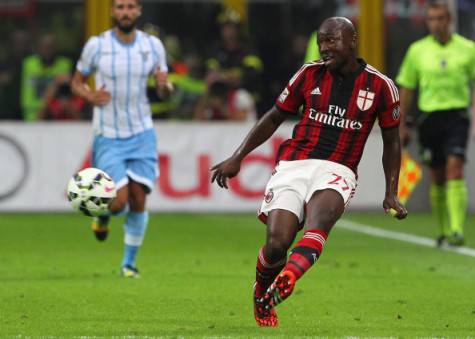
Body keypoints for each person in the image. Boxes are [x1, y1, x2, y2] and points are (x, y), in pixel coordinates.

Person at [211, 17, 407, 327]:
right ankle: (262, 293)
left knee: (320, 219)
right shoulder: (309, 74)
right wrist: (238, 157)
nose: (325, 48)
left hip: (338, 169)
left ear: (353, 41)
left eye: (332, 41)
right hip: (294, 164)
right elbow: (274, 117)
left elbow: (392, 141)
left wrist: (391, 191)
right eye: (321, 42)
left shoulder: (381, 86)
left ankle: (289, 277)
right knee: (277, 243)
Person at [71, 0, 173, 278]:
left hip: (142, 132)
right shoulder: (97, 45)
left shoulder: (153, 46)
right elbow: (76, 81)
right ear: (113, 12)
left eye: (130, 7)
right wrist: (90, 96)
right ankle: (103, 214)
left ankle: (129, 264)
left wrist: (165, 87)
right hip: (108, 133)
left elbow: (165, 89)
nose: (125, 12)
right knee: (118, 202)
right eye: (120, 7)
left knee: (139, 198)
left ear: (138, 11)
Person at [396, 0, 475, 247]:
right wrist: (401, 124)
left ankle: (456, 229)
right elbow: (407, 88)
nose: (436, 23)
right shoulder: (417, 51)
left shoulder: (468, 49)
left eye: (440, 18)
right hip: (428, 119)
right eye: (431, 19)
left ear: (449, 19)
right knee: (437, 176)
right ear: (427, 21)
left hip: (457, 117)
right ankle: (443, 229)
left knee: (455, 167)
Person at [21, 33, 72, 121]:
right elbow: (27, 95)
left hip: (57, 114)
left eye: (51, 47)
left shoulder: (64, 64)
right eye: (44, 47)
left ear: (56, 48)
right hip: (33, 114)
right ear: (38, 48)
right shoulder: (29, 64)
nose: (48, 51)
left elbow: (67, 93)